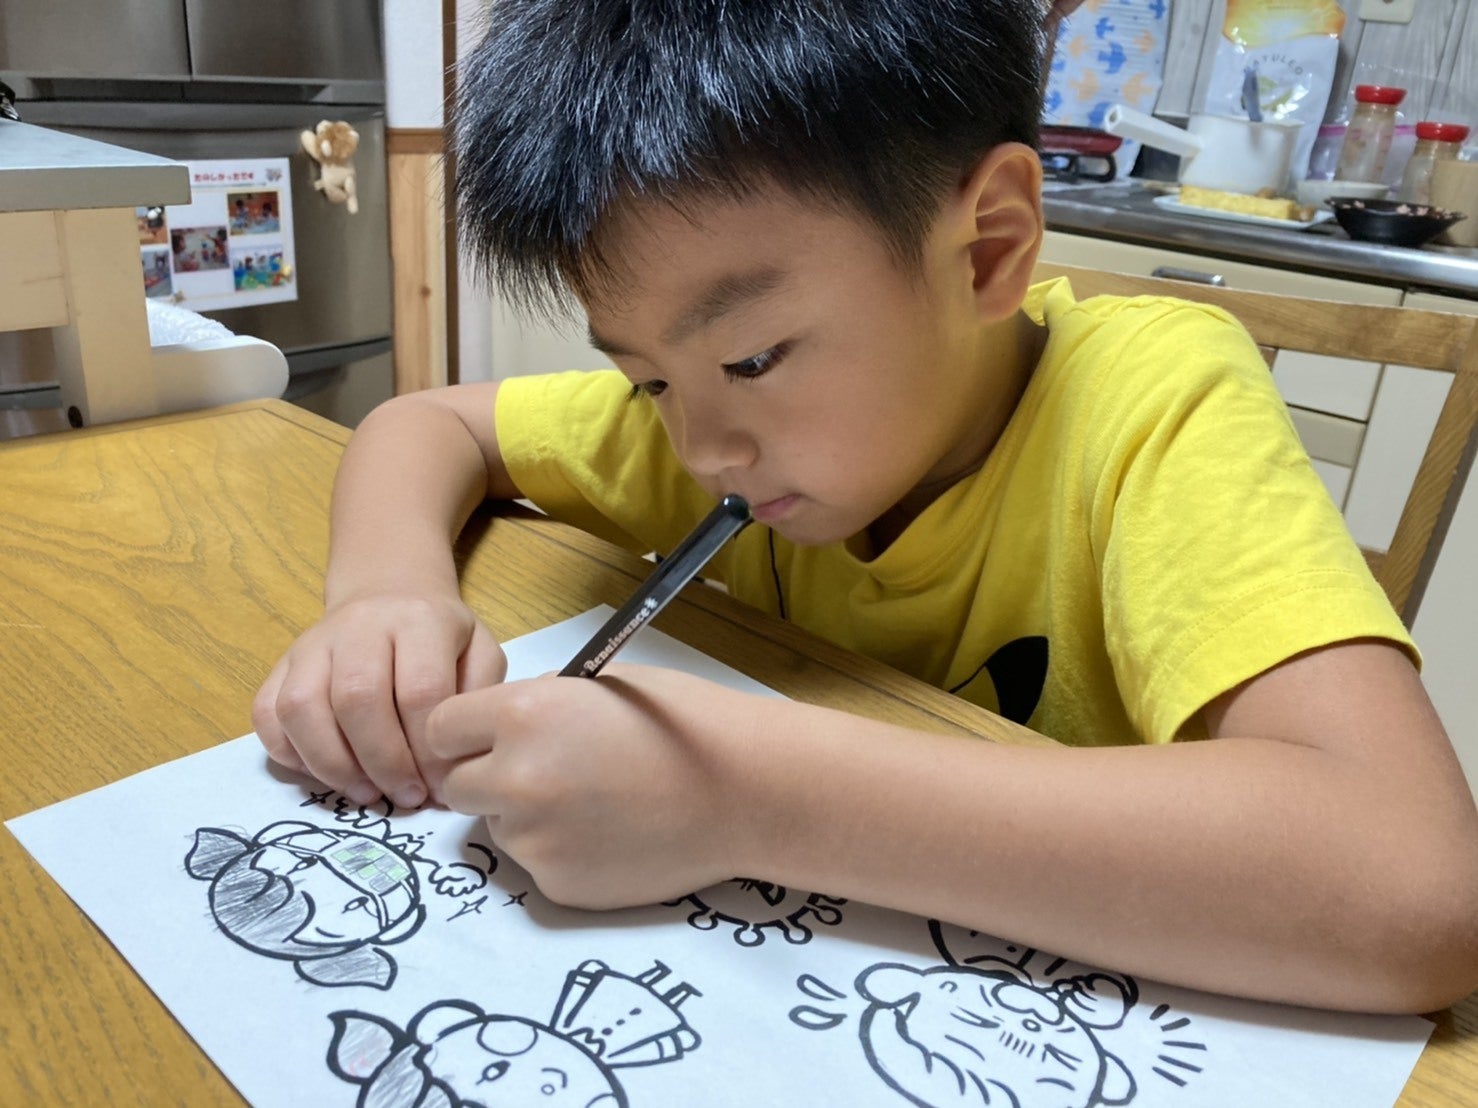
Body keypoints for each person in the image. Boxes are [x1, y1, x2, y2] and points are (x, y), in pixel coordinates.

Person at [252, 0, 1478, 1014]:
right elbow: (427, 423)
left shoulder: (1148, 403)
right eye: (645, 381)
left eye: (751, 358)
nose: (700, 447)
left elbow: (1414, 887)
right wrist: (384, 595)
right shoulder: (708, 422)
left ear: (987, 246)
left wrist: (744, 797)